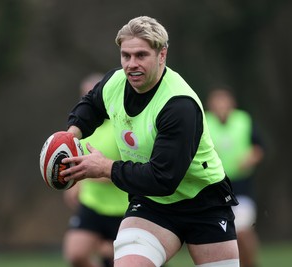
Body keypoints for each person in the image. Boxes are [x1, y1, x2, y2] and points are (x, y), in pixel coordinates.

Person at [60, 16, 240, 267]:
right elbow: (91, 104)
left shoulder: (179, 105)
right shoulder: (115, 82)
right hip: (152, 205)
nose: (131, 64)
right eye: (126, 55)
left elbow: (163, 178)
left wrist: (105, 167)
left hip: (203, 202)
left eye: (141, 55)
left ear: (162, 55)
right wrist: (70, 136)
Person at [62, 73, 129, 267]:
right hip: (92, 204)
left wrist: (90, 174)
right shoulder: (79, 129)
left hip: (122, 208)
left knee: (121, 261)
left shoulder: (121, 126)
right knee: (76, 254)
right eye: (86, 96)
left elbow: (122, 170)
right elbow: (74, 163)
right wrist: (73, 185)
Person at [205, 88, 264, 267]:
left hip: (242, 187)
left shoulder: (243, 120)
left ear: (232, 104)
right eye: (217, 103)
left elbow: (259, 147)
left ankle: (250, 263)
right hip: (215, 188)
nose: (221, 107)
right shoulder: (204, 122)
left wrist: (249, 159)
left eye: (224, 102)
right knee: (224, 236)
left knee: (243, 231)